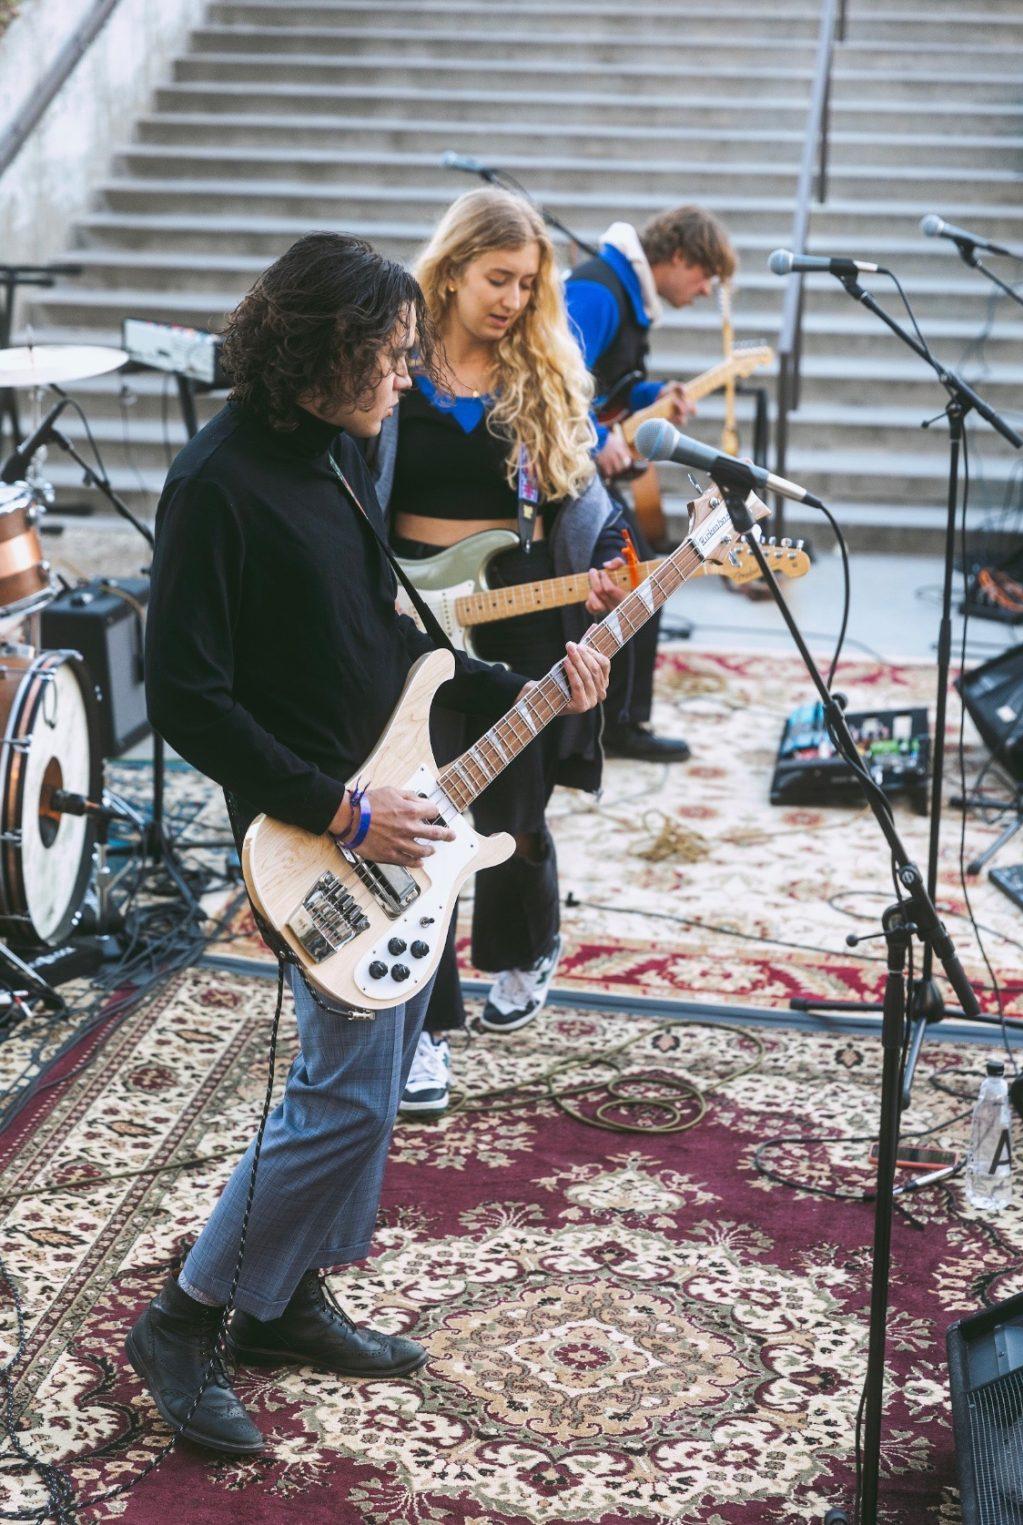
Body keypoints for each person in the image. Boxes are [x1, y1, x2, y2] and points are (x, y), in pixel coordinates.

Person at [128, 232, 610, 1454]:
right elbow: (186, 697)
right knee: (342, 1098)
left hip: (393, 809)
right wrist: (337, 808)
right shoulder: (216, 480)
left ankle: (285, 1297)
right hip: (313, 833)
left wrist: (530, 683)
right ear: (327, 347)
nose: (407, 373)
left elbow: (395, 639)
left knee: (380, 1076)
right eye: (391, 355)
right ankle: (184, 1320)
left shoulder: (343, 452)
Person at [367, 188, 626, 1117]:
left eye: (527, 282)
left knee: (512, 815)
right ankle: (427, 1030)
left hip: (516, 618)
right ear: (452, 266)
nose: (513, 298)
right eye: (497, 278)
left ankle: (525, 945)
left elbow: (587, 504)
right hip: (405, 619)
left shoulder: (541, 374)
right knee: (423, 817)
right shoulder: (391, 358)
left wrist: (602, 567)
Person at [565, 204, 737, 764]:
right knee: (641, 580)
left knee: (643, 578)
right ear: (679, 255)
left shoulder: (623, 288)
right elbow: (555, 378)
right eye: (704, 274)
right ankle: (616, 726)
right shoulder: (600, 289)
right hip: (560, 466)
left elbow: (606, 383)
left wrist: (656, 394)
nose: (704, 288)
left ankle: (618, 721)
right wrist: (594, 434)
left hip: (579, 458)